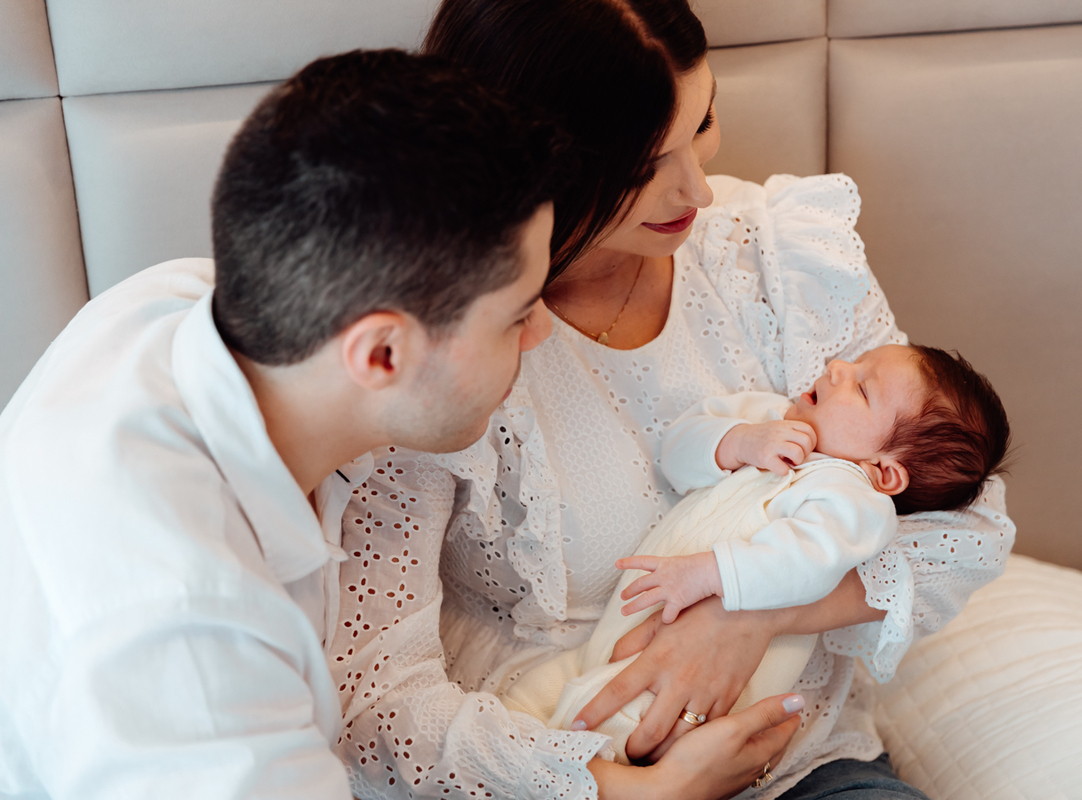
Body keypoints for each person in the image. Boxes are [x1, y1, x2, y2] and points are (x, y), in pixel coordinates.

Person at [332, 2, 1015, 799]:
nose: (697, 187)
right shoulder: (431, 346)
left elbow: (963, 521)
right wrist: (632, 793)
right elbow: (373, 700)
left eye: (704, 123)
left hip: (803, 766)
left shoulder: (778, 257)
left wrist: (752, 612)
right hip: (567, 765)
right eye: (640, 169)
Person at [0, 49, 568, 798]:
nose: (543, 333)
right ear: (381, 353)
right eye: (518, 315)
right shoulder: (192, 653)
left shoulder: (178, 303)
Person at [498, 344, 1011, 763]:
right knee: (527, 705)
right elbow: (677, 452)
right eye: (854, 363)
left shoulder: (854, 499)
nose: (837, 367)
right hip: (618, 634)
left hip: (690, 683)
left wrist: (712, 573)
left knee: (612, 727)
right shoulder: (768, 416)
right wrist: (738, 442)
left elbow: (804, 562)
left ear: (884, 471)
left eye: (860, 387)